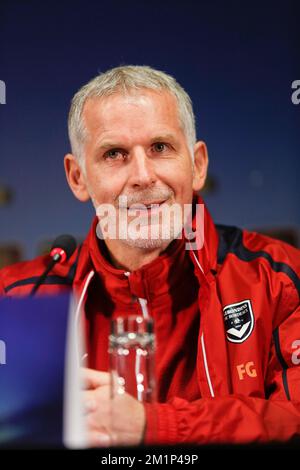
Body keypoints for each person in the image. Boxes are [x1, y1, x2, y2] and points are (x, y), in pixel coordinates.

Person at [1, 65, 300, 447]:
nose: (143, 176)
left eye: (160, 147)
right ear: (78, 177)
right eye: (114, 154)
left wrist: (154, 427)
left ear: (198, 165)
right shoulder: (14, 299)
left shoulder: (280, 280)